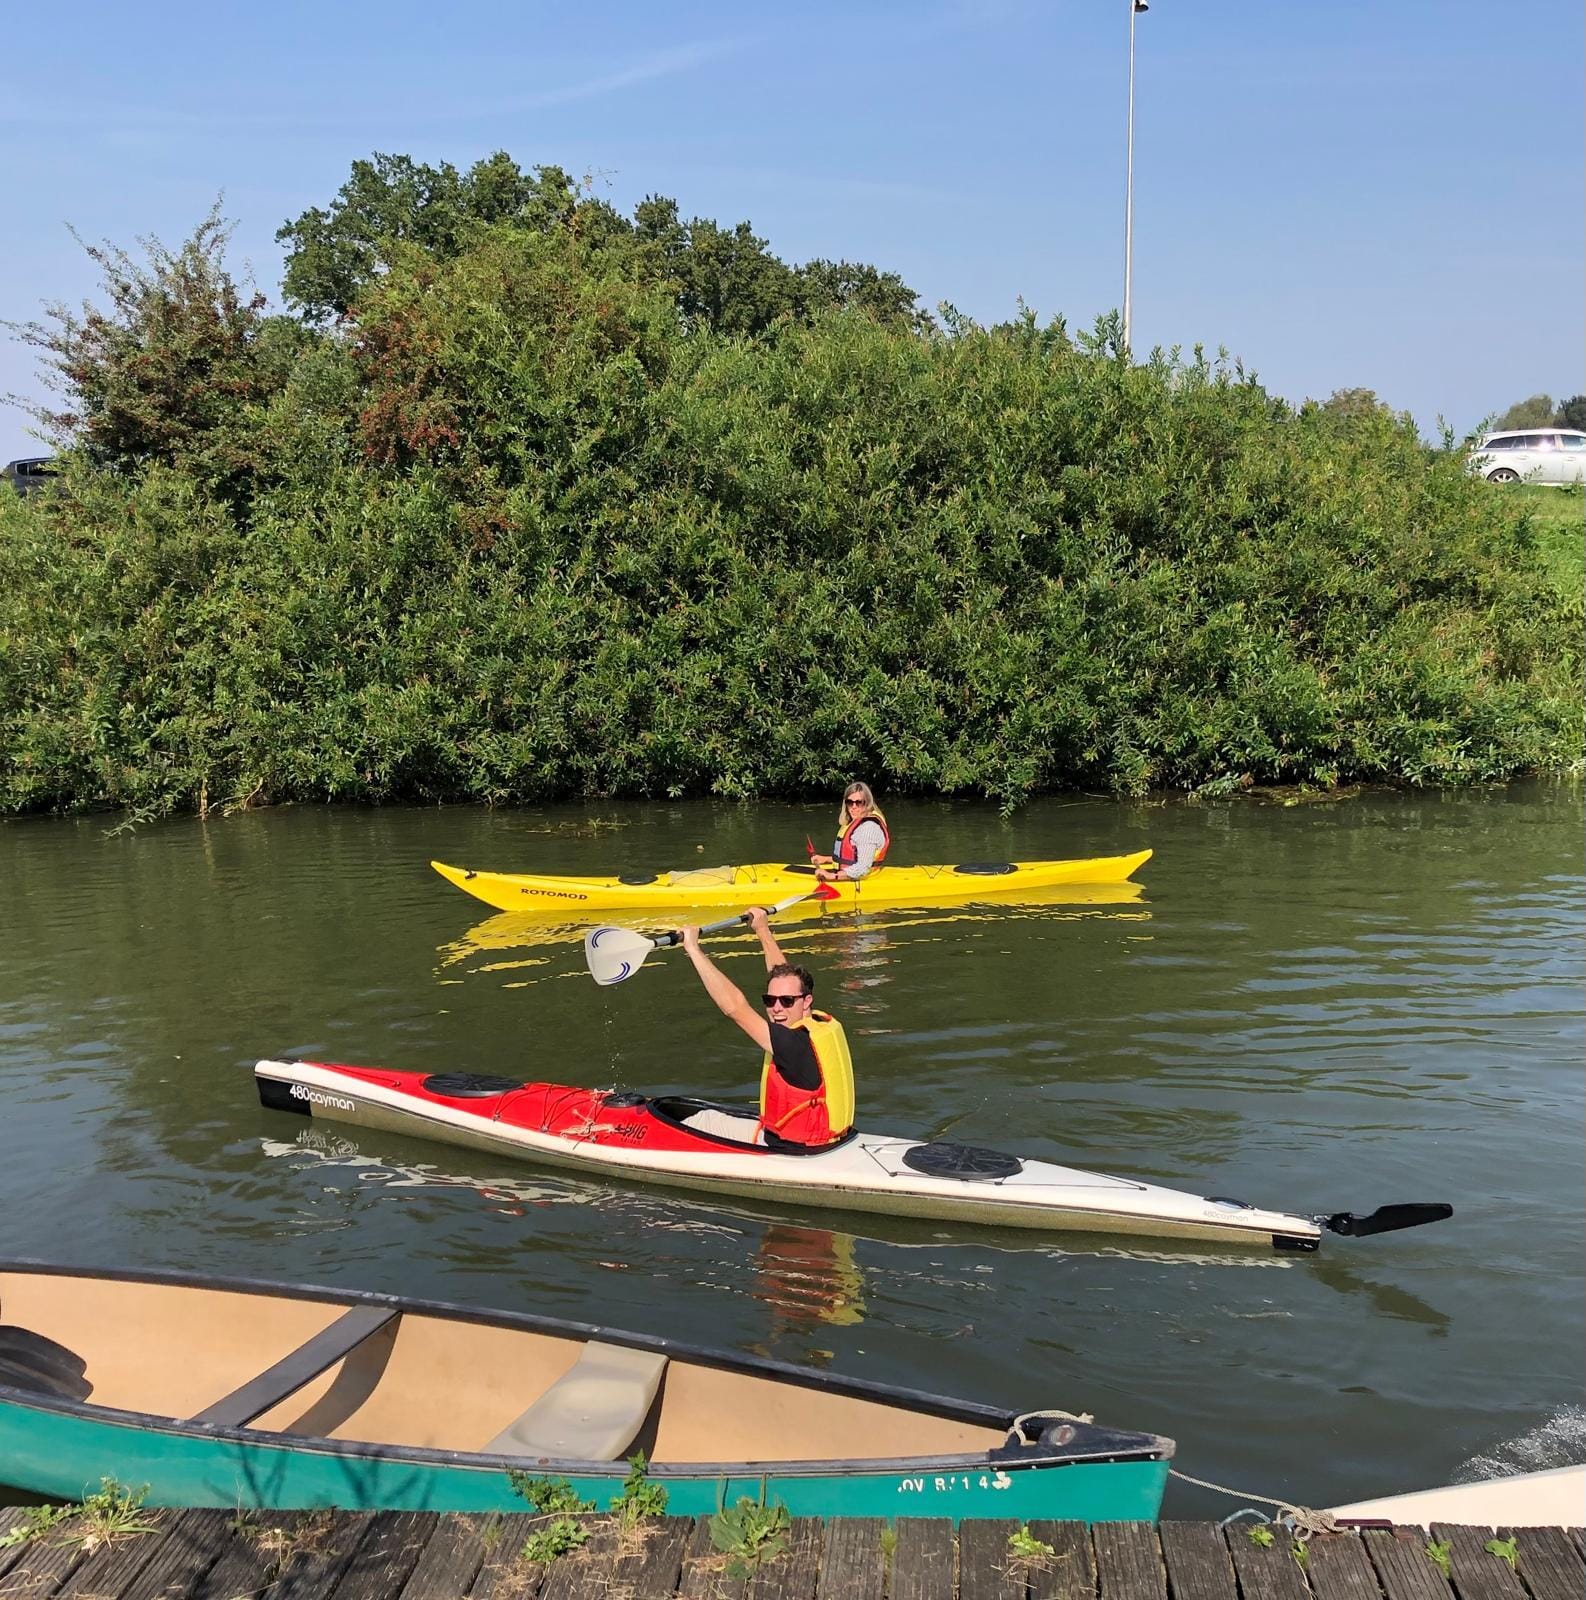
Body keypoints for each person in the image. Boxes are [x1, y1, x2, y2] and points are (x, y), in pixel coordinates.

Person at [680, 908, 855, 1151]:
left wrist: (693, 949)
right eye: (770, 1000)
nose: (776, 1008)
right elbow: (782, 976)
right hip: (826, 1139)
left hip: (791, 1149)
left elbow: (733, 1007)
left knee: (696, 1122)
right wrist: (762, 930)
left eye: (786, 1001)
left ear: (806, 1000)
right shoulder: (816, 1023)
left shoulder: (791, 1045)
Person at [812, 781, 890, 885]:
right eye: (850, 802)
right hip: (849, 874)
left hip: (864, 879)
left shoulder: (868, 828)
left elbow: (863, 868)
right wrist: (826, 859)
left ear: (867, 803)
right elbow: (852, 856)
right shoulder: (854, 823)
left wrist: (831, 876)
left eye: (859, 802)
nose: (854, 807)